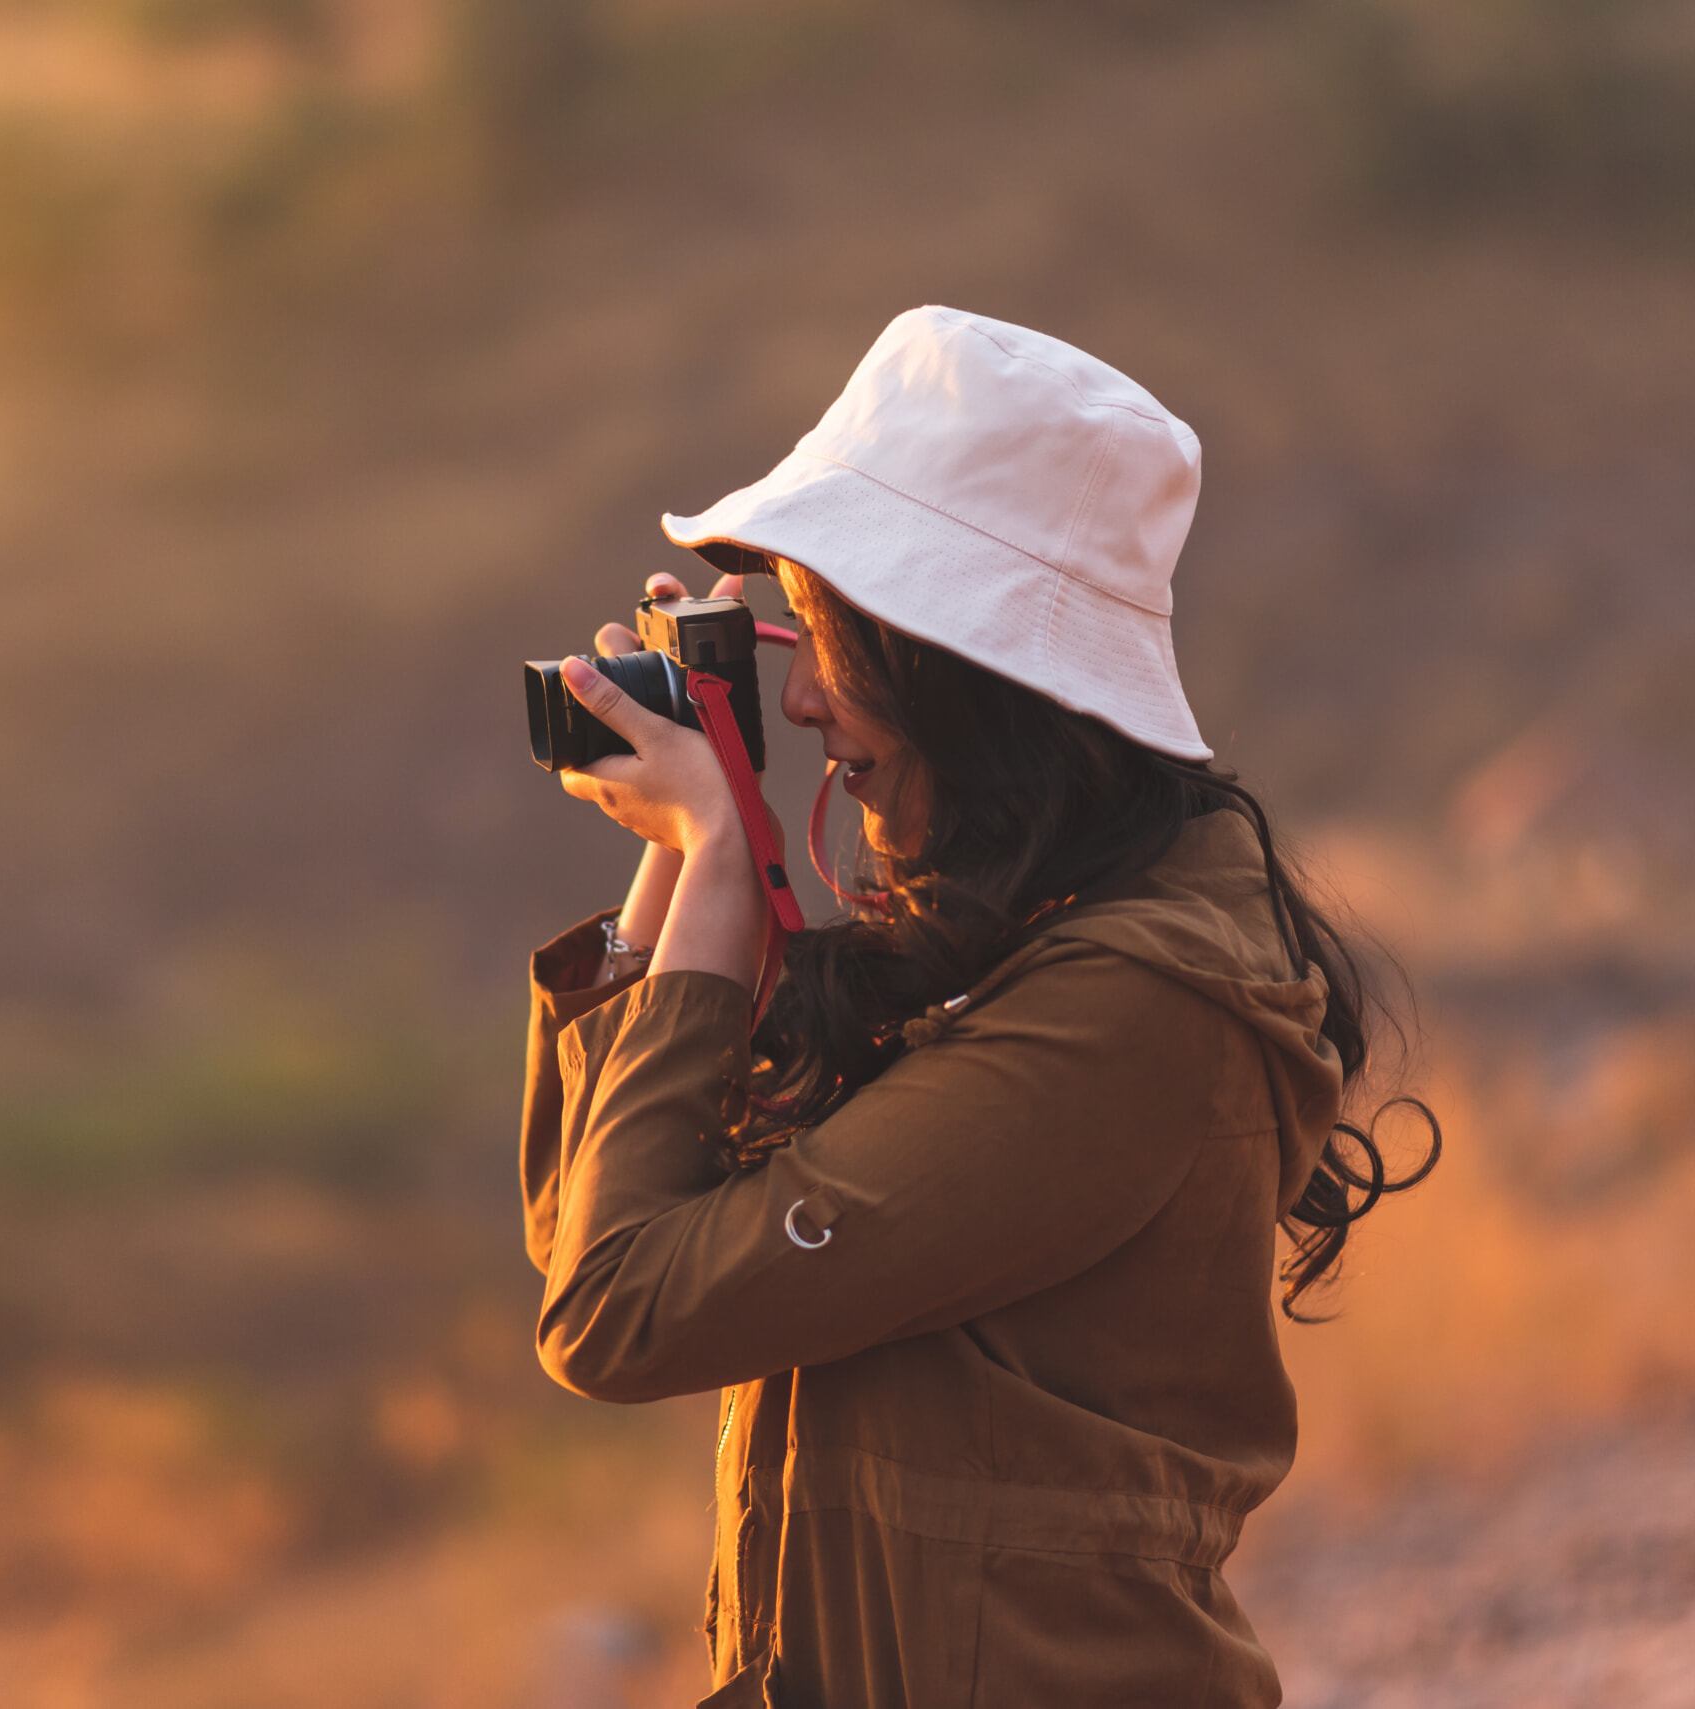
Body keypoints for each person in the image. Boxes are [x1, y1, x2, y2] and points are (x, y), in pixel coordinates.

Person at [521, 306, 1438, 1708]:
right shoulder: (1001, 940)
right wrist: (671, 863)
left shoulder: (1134, 1009)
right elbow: (590, 1226)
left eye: (831, 640)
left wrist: (721, 857)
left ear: (968, 679)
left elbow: (622, 1311)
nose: (807, 701)